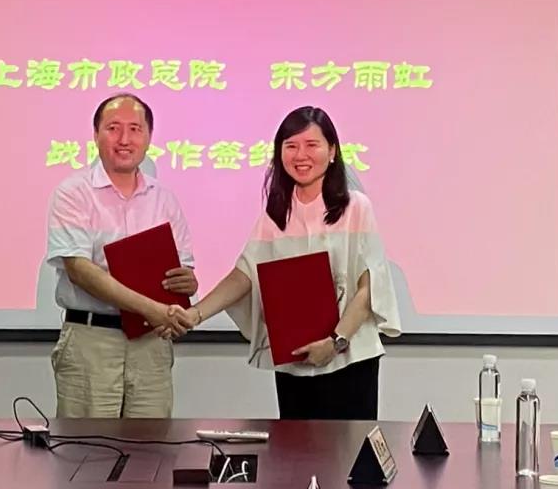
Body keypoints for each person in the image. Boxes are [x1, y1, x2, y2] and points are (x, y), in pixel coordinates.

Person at [169, 106, 401, 419]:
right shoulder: (276, 215)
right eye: (291, 146)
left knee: (348, 448)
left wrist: (336, 341)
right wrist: (195, 314)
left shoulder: (355, 207)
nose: (300, 155)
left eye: (312, 145)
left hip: (350, 357)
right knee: (295, 447)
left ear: (332, 151)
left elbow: (367, 286)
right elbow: (244, 275)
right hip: (296, 358)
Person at [43, 94, 196, 418]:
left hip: (151, 346)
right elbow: (79, 270)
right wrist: (151, 308)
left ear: (149, 137)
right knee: (86, 446)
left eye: (135, 129)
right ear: (95, 134)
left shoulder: (164, 199)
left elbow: (183, 270)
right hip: (92, 343)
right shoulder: (74, 192)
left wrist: (188, 283)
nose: (124, 139)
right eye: (113, 128)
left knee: (151, 445)